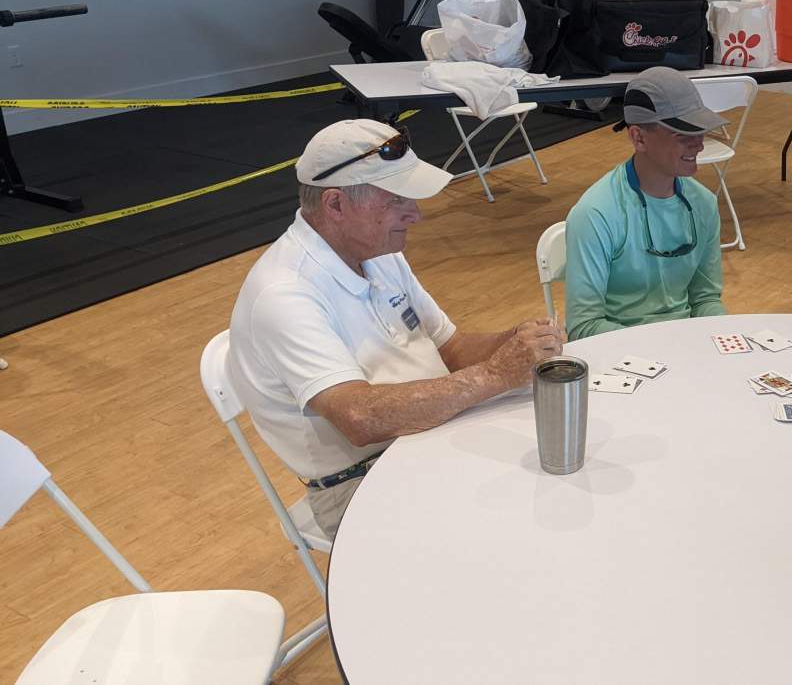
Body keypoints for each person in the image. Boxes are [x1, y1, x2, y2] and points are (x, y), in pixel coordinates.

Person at [229, 119, 563, 538]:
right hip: (358, 480)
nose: (416, 214)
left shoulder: (378, 249)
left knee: (547, 472)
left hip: (427, 433)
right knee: (518, 513)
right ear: (335, 204)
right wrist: (495, 374)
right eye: (396, 200)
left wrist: (516, 342)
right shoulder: (283, 294)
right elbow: (359, 418)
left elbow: (452, 348)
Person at [565, 67, 727, 339]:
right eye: (682, 134)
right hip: (620, 356)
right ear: (638, 137)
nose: (699, 145)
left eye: (700, 131)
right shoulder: (595, 214)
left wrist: (725, 335)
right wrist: (659, 348)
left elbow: (705, 300)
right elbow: (583, 327)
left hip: (683, 348)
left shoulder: (704, 204)